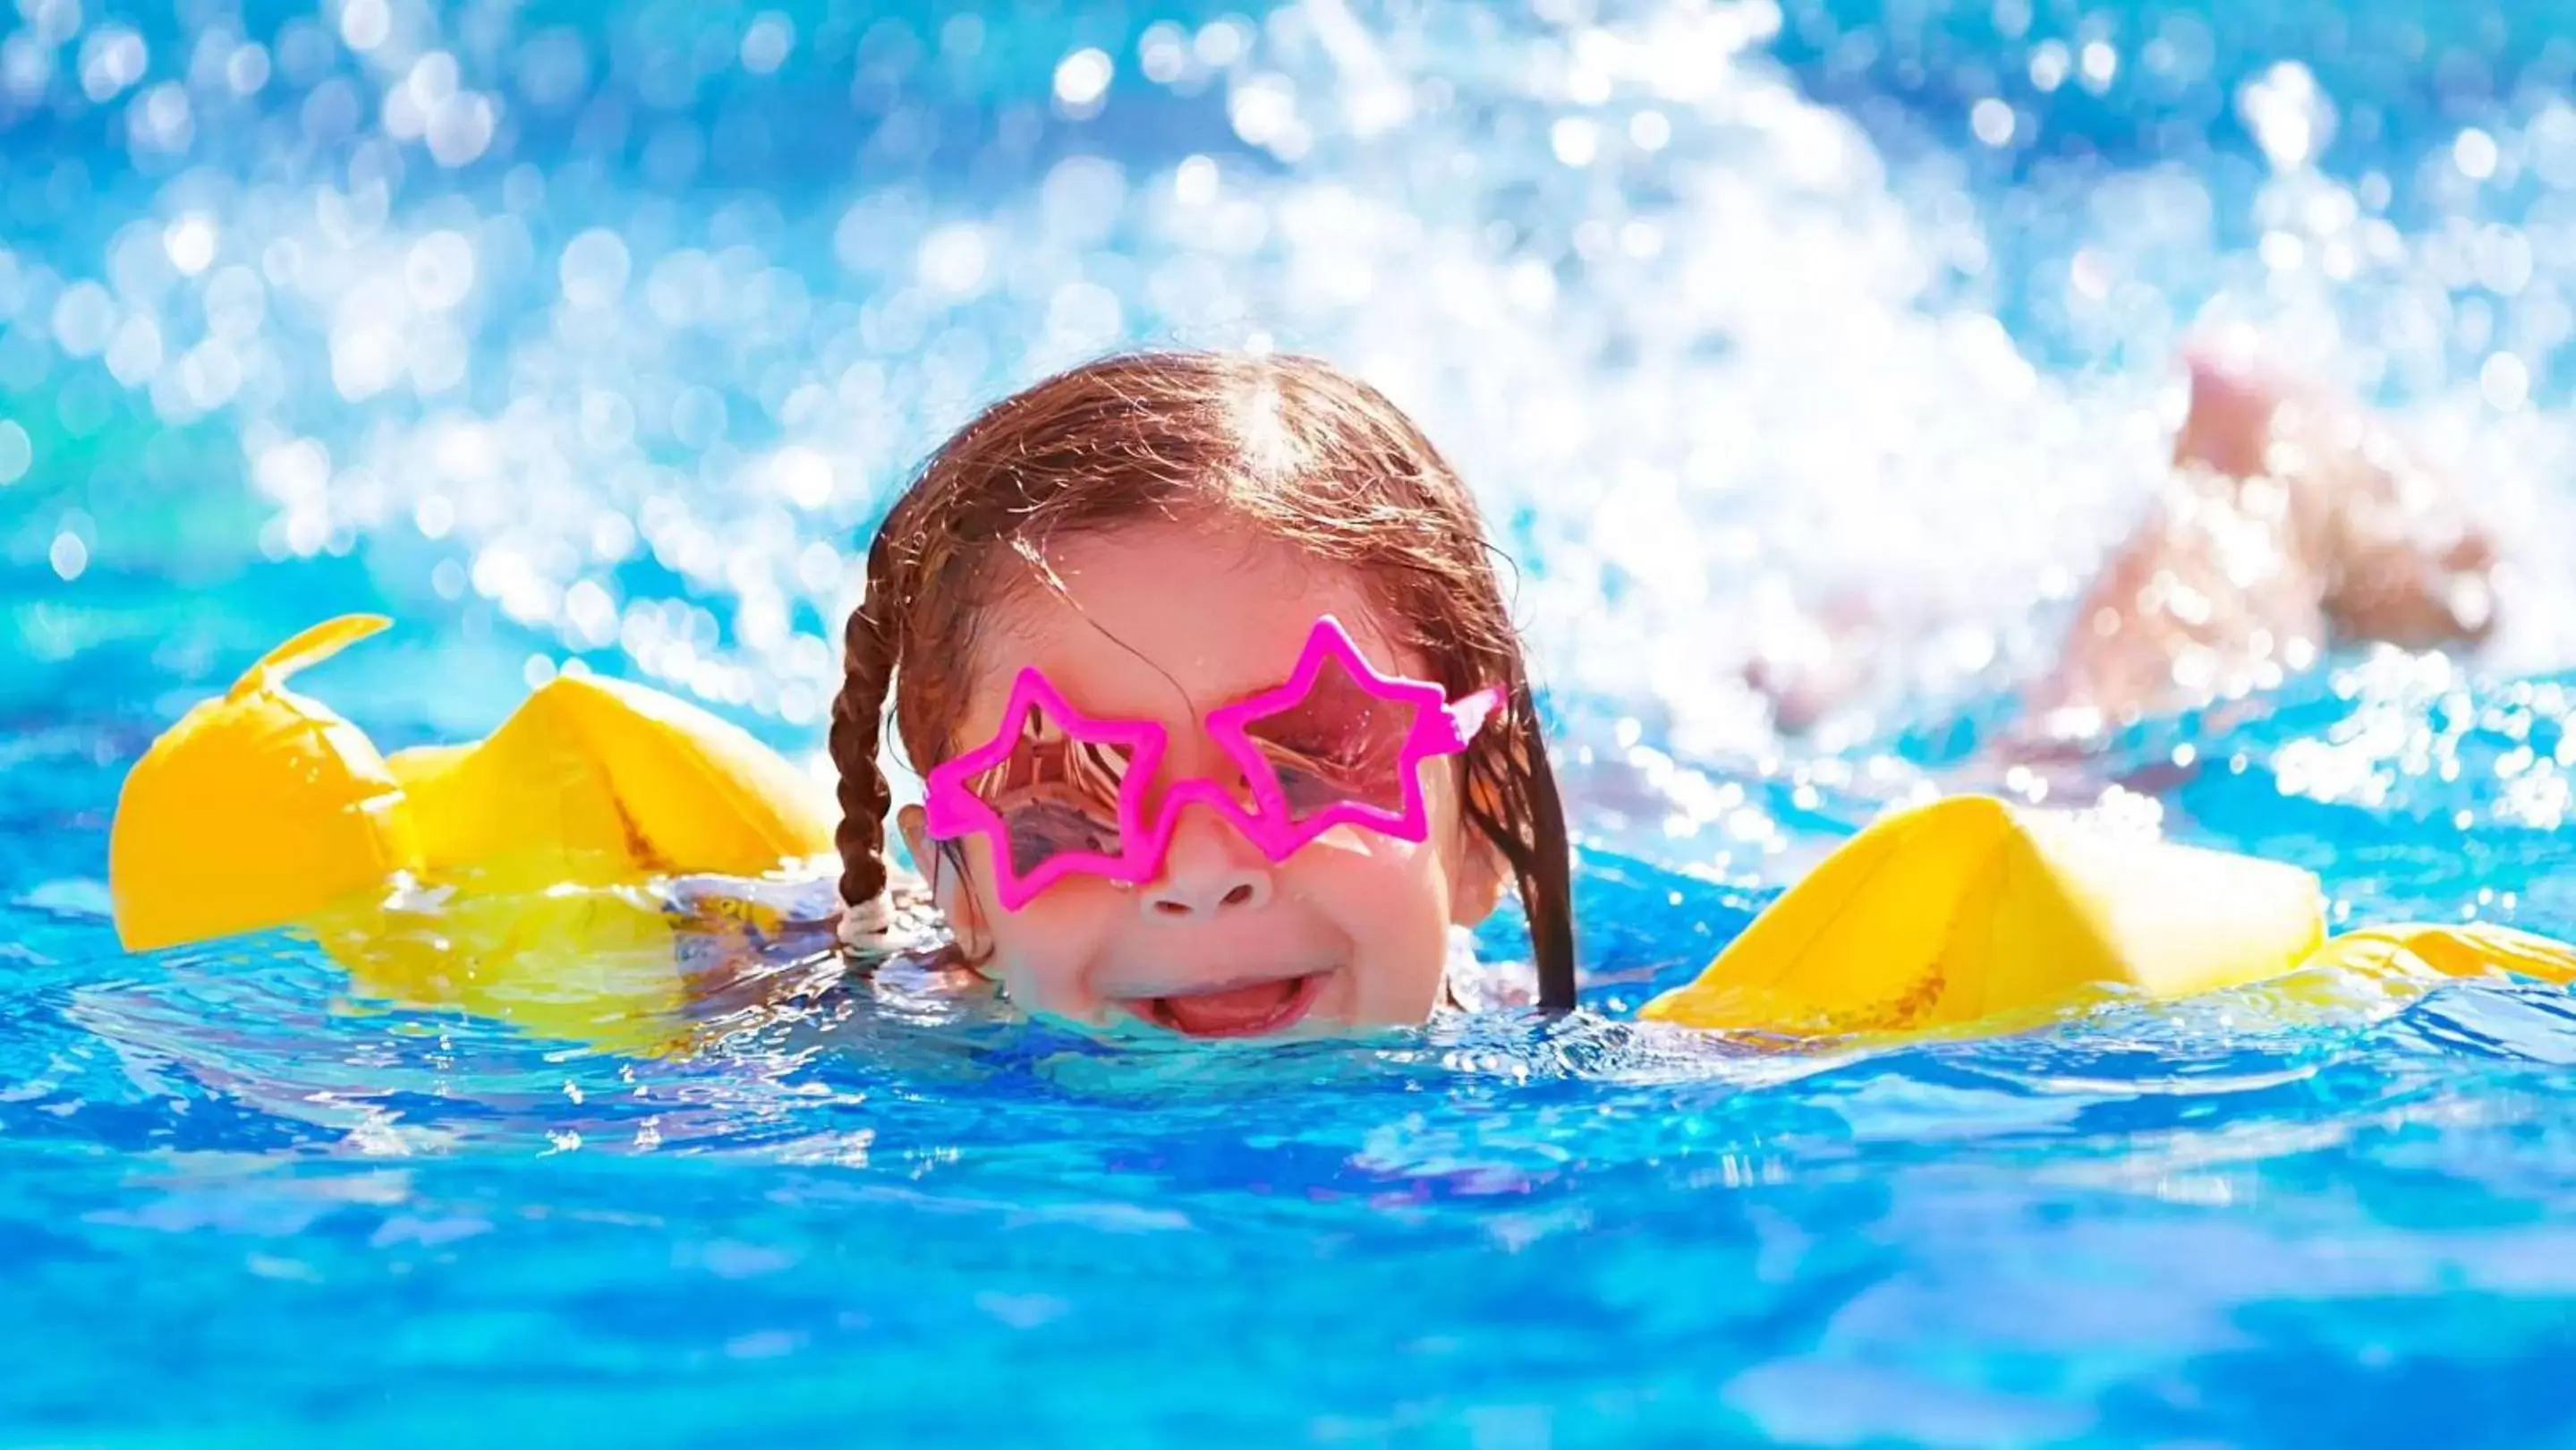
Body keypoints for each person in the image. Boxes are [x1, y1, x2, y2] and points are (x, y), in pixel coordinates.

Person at [106, 347, 2549, 1047]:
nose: (1197, 855)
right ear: (949, 868)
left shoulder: (1691, 1056)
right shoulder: (839, 991)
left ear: (1483, 817)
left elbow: (2364, 984)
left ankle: (2260, 489)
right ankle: (1804, 634)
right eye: (1064, 785)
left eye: (1304, 754)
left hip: (1700, 838)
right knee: (1778, 696)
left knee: (2049, 760)